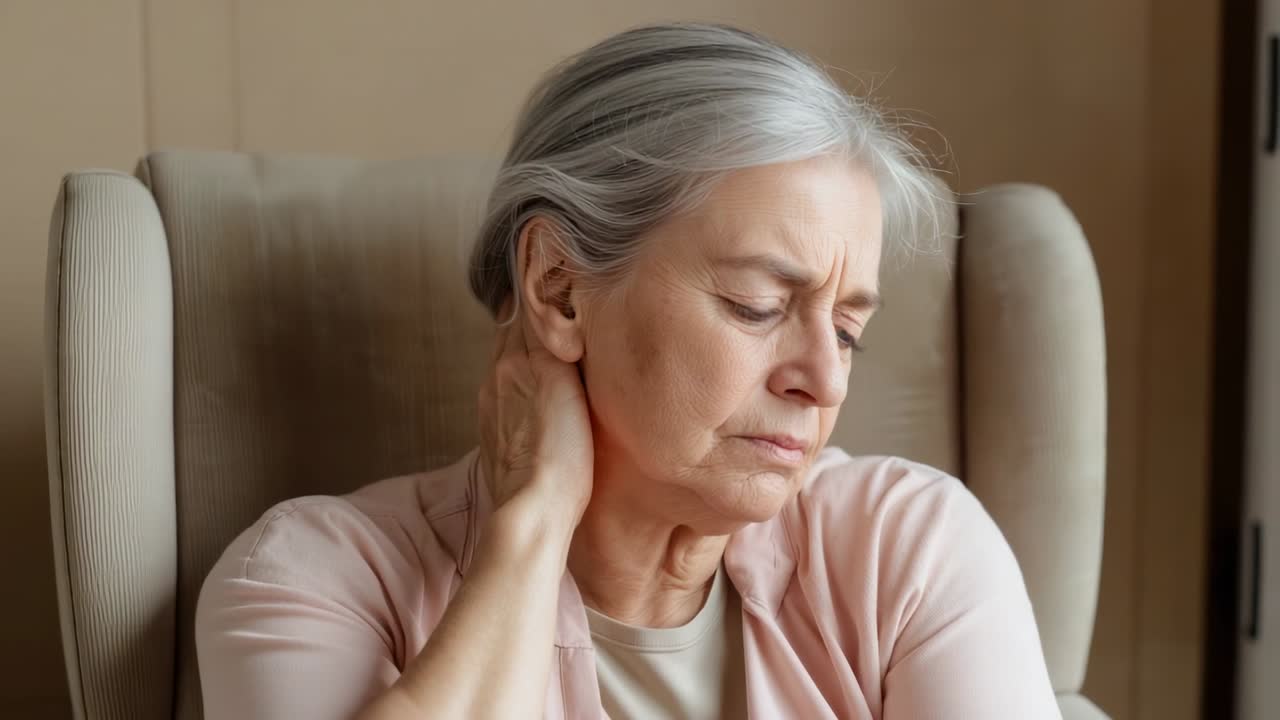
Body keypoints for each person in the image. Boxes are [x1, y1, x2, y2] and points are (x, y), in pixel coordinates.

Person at [195, 21, 1060, 719]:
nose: (824, 382)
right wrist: (529, 534)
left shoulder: (907, 548)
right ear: (559, 289)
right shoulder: (312, 579)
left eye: (845, 330)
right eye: (758, 306)